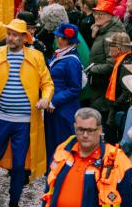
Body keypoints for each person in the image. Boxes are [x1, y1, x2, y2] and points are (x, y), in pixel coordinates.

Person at [0, 18, 54, 207]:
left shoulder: (36, 57)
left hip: (25, 121)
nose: (10, 38)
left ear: (24, 38)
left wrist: (46, 98)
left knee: (19, 165)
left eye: (15, 35)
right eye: (9, 34)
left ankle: (14, 201)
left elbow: (47, 83)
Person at [42, 107, 132, 207]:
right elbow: (48, 191)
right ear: (75, 127)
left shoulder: (118, 161)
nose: (85, 135)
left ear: (100, 130)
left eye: (90, 130)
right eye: (81, 129)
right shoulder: (62, 150)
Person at [45, 23, 83, 163]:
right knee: (52, 143)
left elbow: (75, 88)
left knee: (61, 144)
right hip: (54, 107)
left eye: (61, 37)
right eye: (58, 36)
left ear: (68, 41)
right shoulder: (61, 53)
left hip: (63, 109)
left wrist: (55, 101)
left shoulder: (72, 61)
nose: (58, 39)